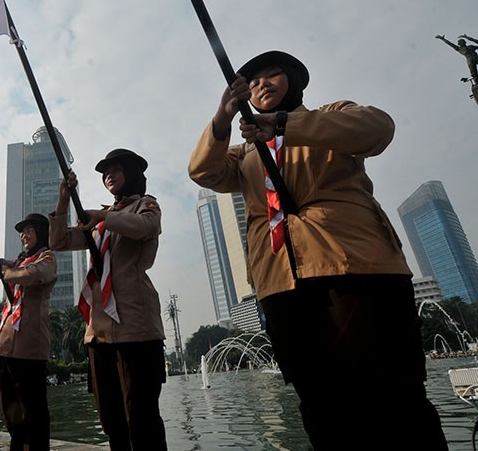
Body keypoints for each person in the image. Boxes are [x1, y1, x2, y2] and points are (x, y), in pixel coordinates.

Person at [188, 50, 447, 450]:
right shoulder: (244, 154)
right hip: (280, 281)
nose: (262, 85)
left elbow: (378, 129)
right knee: (320, 401)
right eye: (253, 83)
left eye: (272, 75)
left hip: (356, 265)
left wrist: (285, 125)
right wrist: (222, 118)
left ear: (293, 79)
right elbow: (204, 171)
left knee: (393, 394)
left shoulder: (330, 115)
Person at [51, 150, 167, 451]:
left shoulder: (146, 205)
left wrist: (103, 216)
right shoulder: (102, 221)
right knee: (112, 419)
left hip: (136, 325)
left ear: (131, 172)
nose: (109, 176)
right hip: (100, 330)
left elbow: (145, 229)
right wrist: (65, 198)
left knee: (141, 416)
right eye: (105, 172)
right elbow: (59, 241)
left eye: (116, 169)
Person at [0, 213, 57, 451]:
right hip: (6, 343)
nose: (24, 235)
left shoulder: (47, 258)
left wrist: (6, 273)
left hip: (30, 344)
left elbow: (33, 275)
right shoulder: (18, 262)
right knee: (10, 406)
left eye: (29, 230)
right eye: (22, 232)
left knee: (33, 408)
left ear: (41, 232)